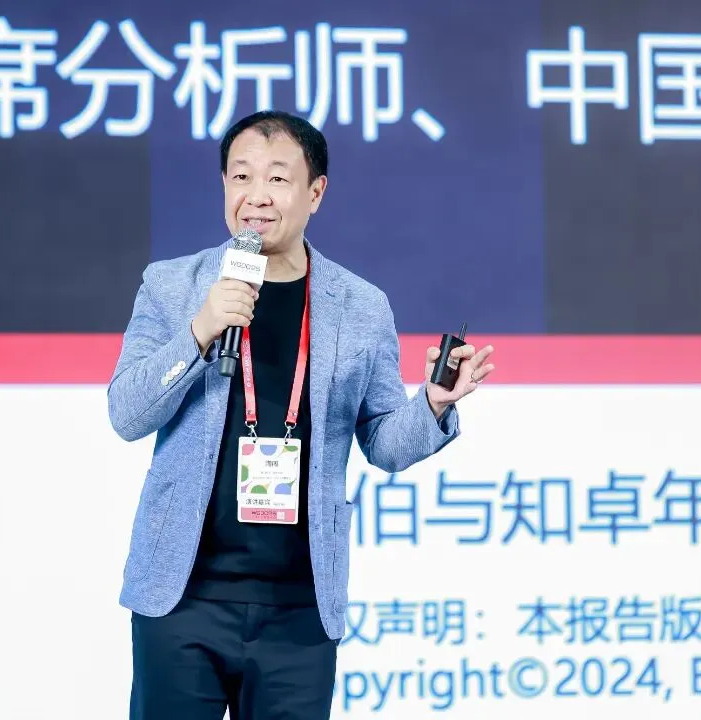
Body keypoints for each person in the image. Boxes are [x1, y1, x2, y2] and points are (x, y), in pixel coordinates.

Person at [107, 109, 494, 719]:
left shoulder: (360, 306)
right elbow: (127, 413)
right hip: (181, 600)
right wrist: (201, 330)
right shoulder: (173, 286)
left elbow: (383, 442)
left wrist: (432, 405)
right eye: (241, 177)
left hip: (300, 611)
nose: (256, 196)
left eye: (278, 178)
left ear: (315, 193)